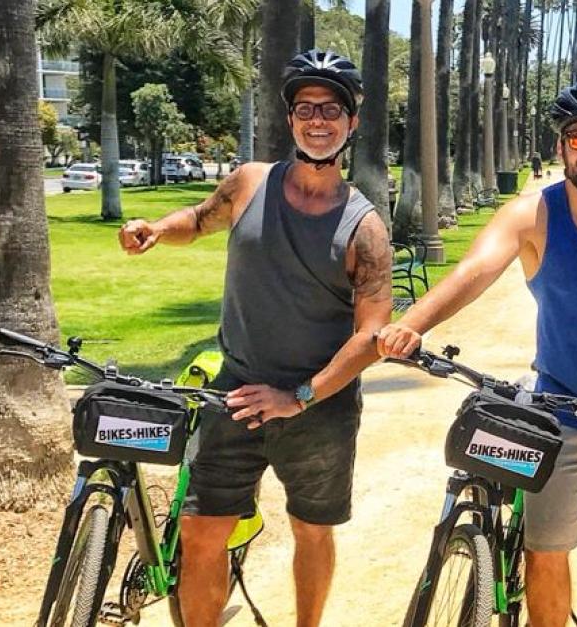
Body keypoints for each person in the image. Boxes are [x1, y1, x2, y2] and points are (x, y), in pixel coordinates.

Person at [379, 78, 577, 627]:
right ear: (561, 147)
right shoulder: (533, 215)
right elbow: (473, 270)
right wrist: (410, 325)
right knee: (545, 549)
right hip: (558, 407)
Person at [118, 49, 392, 627]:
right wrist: (154, 230)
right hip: (236, 393)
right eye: (306, 109)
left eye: (332, 110)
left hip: (319, 408)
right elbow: (198, 219)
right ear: (291, 118)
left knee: (311, 532)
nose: (318, 121)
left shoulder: (365, 229)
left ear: (352, 122)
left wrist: (300, 396)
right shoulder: (249, 182)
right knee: (199, 530)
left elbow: (370, 336)